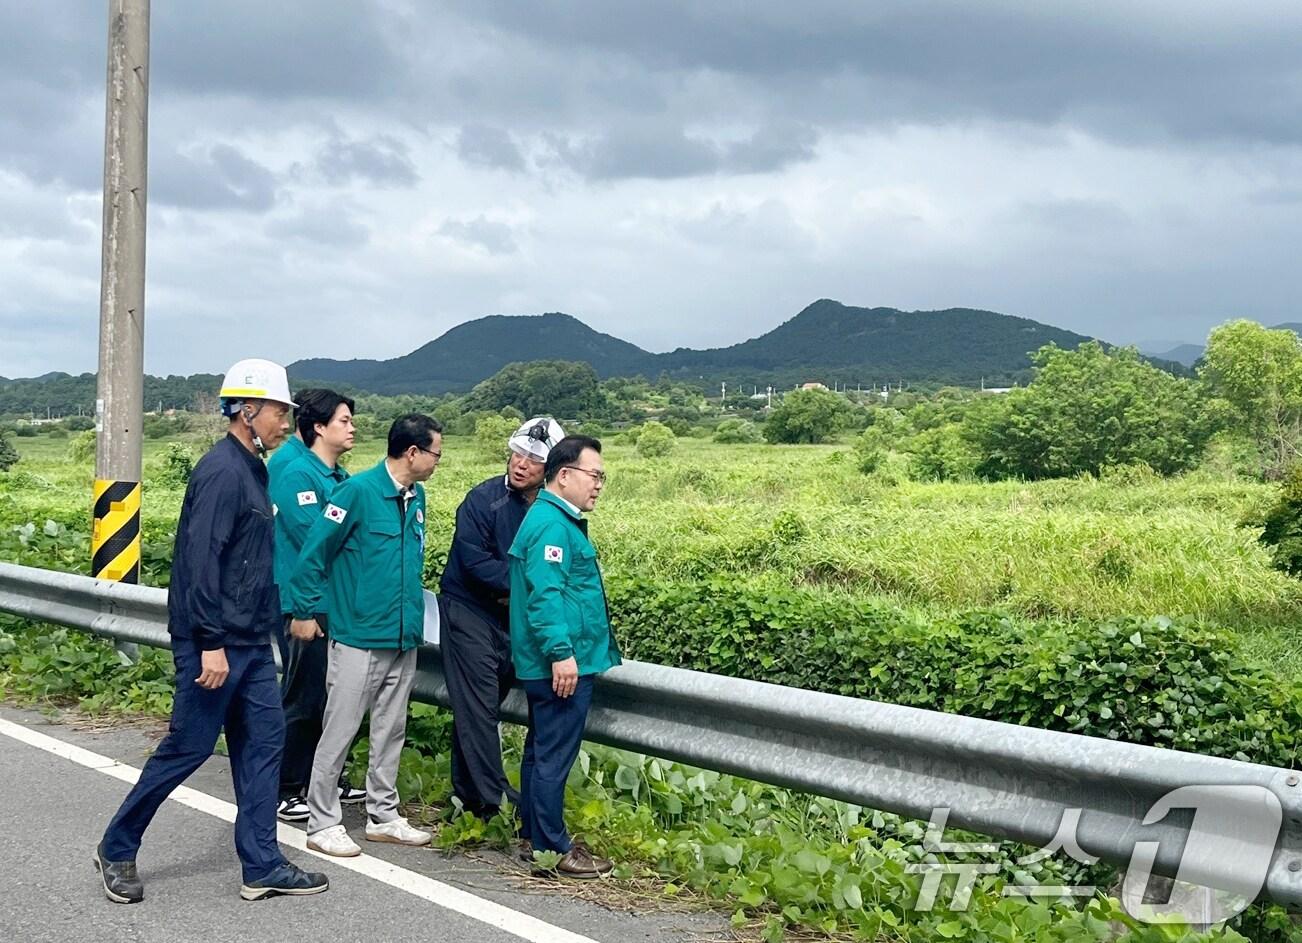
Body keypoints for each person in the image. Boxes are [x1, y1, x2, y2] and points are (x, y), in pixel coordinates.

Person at [95, 359, 329, 904]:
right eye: (277, 411)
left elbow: (250, 562)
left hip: (249, 642)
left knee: (263, 747)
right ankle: (117, 846)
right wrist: (210, 644)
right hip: (215, 642)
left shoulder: (255, 469)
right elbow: (199, 564)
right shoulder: (222, 471)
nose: (283, 421)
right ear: (247, 410)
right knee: (188, 748)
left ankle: (261, 864)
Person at [288, 414, 442, 857]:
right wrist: (305, 610)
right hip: (358, 635)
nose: (436, 462)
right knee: (339, 729)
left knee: (391, 730)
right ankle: (322, 821)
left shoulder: (417, 497)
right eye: (434, 453)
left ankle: (384, 815)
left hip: (402, 635)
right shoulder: (355, 492)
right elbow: (314, 554)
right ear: (412, 452)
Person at [440, 417, 565, 821]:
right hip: (468, 609)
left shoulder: (550, 509)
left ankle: (468, 797)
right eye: (518, 453)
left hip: (511, 615)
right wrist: (532, 584)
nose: (521, 463)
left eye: (533, 458)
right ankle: (494, 802)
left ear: (549, 469)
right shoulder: (482, 499)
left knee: (480, 705)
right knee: (479, 708)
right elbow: (476, 564)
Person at [508, 434, 621, 878]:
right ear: (565, 475)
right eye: (594, 475)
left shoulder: (548, 518)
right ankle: (554, 847)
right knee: (554, 756)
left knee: (540, 752)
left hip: (550, 660)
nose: (598, 485)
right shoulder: (553, 526)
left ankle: (535, 839)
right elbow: (545, 596)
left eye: (601, 477)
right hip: (560, 663)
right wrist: (562, 654)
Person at [268, 389, 365, 823]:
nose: (352, 428)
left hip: (337, 601)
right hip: (304, 601)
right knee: (305, 695)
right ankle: (286, 787)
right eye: (344, 421)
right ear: (320, 427)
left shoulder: (337, 478)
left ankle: (322, 779)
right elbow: (317, 541)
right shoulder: (295, 473)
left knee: (332, 697)